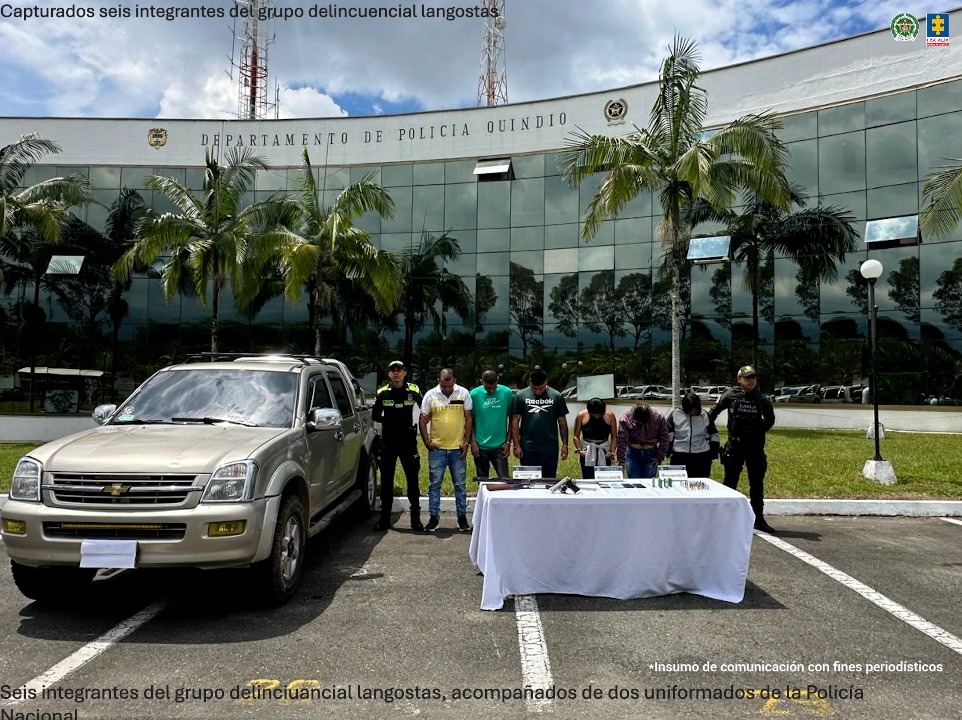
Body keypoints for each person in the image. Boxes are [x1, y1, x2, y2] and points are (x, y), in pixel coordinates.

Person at [708, 365, 777, 533]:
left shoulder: (763, 399)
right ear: (739, 379)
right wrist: (712, 432)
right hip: (735, 446)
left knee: (757, 484)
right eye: (747, 377)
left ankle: (758, 519)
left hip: (754, 447)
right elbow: (712, 413)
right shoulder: (729, 395)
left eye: (753, 377)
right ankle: (725, 519)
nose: (751, 380)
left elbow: (770, 419)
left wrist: (757, 431)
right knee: (730, 483)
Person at [371, 360, 424, 532]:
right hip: (388, 442)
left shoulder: (413, 390)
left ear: (404, 372)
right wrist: (390, 422)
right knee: (386, 482)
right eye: (392, 370)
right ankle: (384, 520)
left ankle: (415, 519)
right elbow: (375, 415)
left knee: (412, 481)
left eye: (399, 370)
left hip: (408, 443)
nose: (396, 373)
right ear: (389, 374)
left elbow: (425, 407)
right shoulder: (383, 392)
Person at [419, 368, 474, 533]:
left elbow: (469, 418)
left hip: (458, 449)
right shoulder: (430, 395)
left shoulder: (463, 393)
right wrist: (427, 443)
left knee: (460, 485)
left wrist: (466, 442)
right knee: (434, 485)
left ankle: (462, 518)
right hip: (437, 450)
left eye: (449, 385)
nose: (447, 389)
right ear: (439, 381)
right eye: (443, 385)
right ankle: (434, 518)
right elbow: (422, 420)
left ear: (455, 380)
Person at [510, 368, 569, 479]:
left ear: (546, 382)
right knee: (529, 481)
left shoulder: (556, 396)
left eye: (540, 388)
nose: (537, 391)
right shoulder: (520, 395)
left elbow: (562, 423)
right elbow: (515, 421)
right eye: (534, 388)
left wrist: (565, 445)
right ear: (530, 382)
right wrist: (517, 445)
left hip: (550, 446)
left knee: (549, 479)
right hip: (528, 447)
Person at [469, 369, 513, 481]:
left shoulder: (506, 393)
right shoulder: (474, 394)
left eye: (494, 387)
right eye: (488, 388)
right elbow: (470, 420)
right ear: (481, 381)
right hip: (480, 446)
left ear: (497, 380)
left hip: (500, 446)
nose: (491, 390)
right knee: (482, 481)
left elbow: (512, 418)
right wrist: (473, 442)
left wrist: (508, 442)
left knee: (505, 480)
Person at [666, 391, 720, 479]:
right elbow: (668, 434)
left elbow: (713, 434)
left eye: (695, 410)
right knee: (679, 485)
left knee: (699, 485)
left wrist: (713, 453)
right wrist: (668, 451)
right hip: (680, 456)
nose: (692, 413)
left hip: (701, 456)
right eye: (689, 410)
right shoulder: (675, 414)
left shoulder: (704, 415)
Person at [616, 402, 669, 479]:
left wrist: (659, 456)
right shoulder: (625, 419)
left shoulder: (658, 417)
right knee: (634, 483)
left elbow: (664, 437)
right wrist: (621, 460)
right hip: (632, 454)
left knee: (649, 483)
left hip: (651, 455)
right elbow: (621, 440)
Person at [572, 397, 617, 479]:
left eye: (599, 414)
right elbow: (575, 436)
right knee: (588, 477)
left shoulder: (610, 415)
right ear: (589, 411)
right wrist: (580, 450)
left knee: (604, 478)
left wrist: (612, 451)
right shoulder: (581, 415)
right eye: (594, 414)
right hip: (588, 450)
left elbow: (614, 436)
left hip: (604, 449)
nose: (597, 416)